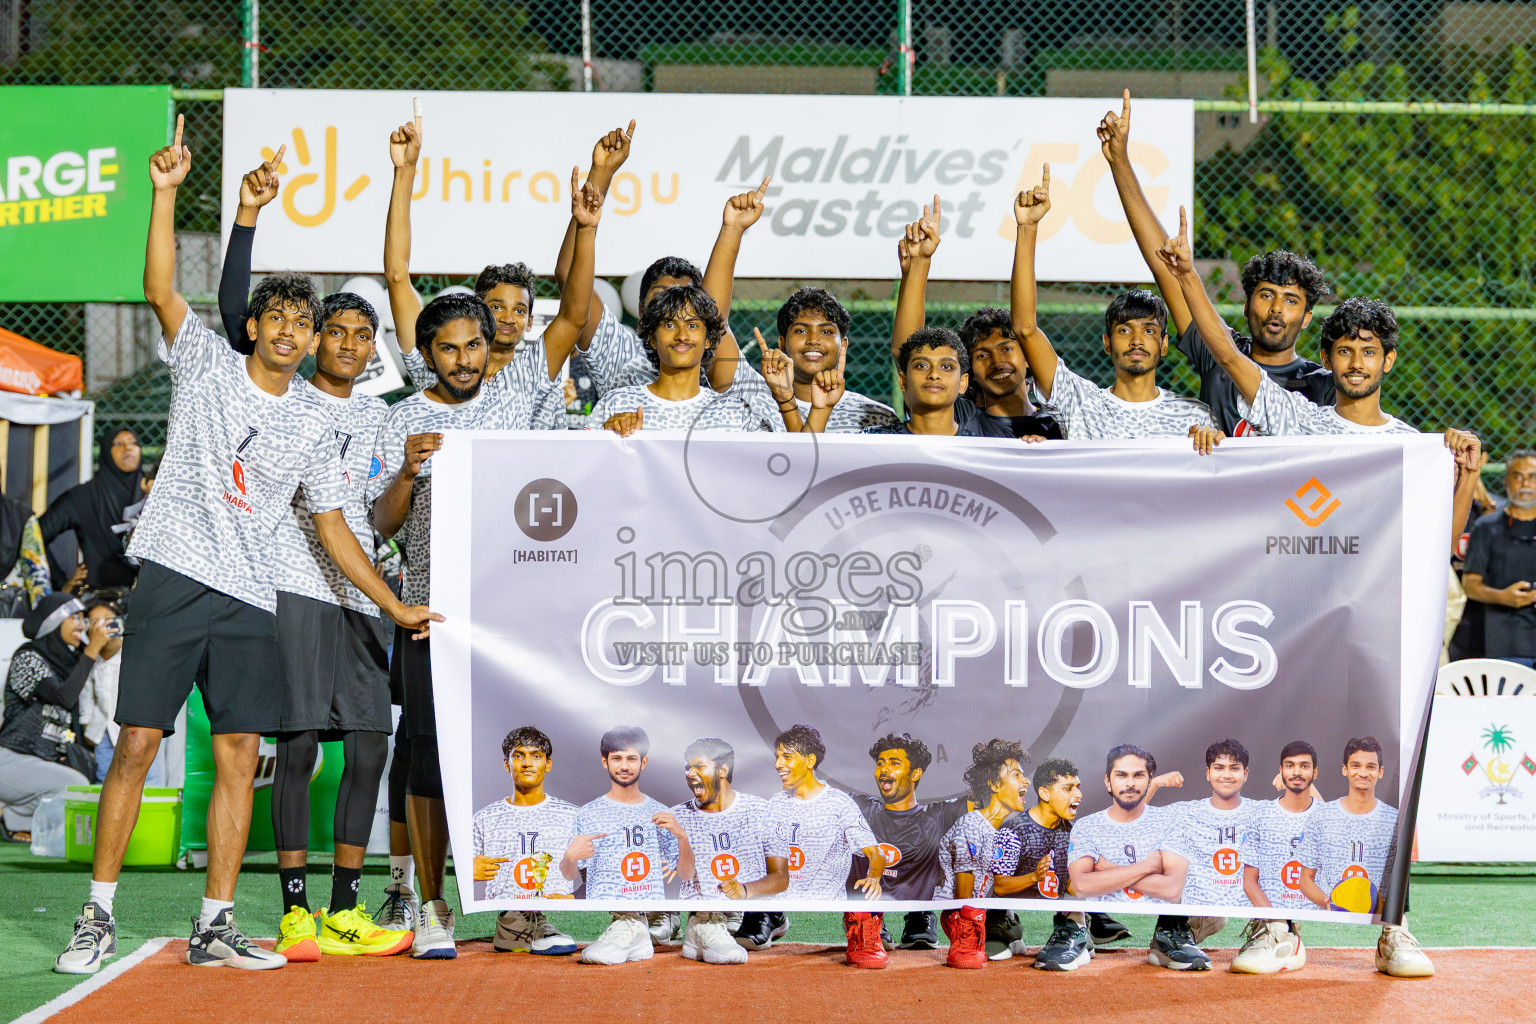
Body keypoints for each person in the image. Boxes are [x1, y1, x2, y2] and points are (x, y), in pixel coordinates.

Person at [54, 120, 438, 977]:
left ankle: (217, 923)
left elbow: (335, 523)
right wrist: (165, 194)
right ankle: (97, 915)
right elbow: (159, 285)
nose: (294, 332)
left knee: (239, 755)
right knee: (139, 744)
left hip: (252, 597)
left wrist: (393, 604)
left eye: (307, 324)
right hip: (177, 578)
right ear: (256, 323)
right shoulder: (207, 363)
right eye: (282, 318)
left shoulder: (314, 416)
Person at [214, 152, 412, 963]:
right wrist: (248, 218)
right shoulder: (281, 387)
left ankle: (344, 907)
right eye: (338, 329)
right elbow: (235, 312)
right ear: (313, 335)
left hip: (362, 593)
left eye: (366, 337)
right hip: (293, 584)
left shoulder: (385, 418)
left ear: (373, 353)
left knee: (368, 744)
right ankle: (293, 909)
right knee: (295, 746)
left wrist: (408, 471)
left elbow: (381, 518)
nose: (352, 344)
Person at [1155, 208, 1484, 547]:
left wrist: (1470, 473)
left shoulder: (1410, 444)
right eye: (1345, 352)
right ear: (1327, 360)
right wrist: (1188, 275)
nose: (1356, 363)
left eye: (1369, 352)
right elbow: (1228, 355)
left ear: (1388, 361)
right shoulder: (1300, 418)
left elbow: (1438, 544)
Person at [1098, 90, 1334, 435]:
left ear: (1307, 318)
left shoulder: (1324, 386)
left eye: (1291, 300)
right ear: (1247, 305)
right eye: (1266, 295)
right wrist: (1119, 161)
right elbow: (1164, 267)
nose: (1276, 310)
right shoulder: (1218, 350)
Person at [384, 104, 597, 421]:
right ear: (478, 309)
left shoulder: (529, 373)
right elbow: (397, 275)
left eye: (519, 310)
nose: (509, 318)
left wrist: (588, 229)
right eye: (497, 306)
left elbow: (574, 317)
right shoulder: (437, 362)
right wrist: (405, 171)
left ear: (529, 319)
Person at [1011, 168, 1222, 451]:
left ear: (1164, 344)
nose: (1137, 340)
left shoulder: (1196, 417)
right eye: (1125, 330)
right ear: (1107, 343)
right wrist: (1027, 229)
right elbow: (1025, 330)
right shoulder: (1080, 401)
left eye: (1149, 330)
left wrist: (1216, 441)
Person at [556, 121, 745, 398]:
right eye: (661, 296)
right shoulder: (621, 352)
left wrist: (731, 231)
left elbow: (717, 315)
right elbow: (566, 274)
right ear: (642, 310)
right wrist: (601, 173)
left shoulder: (710, 352)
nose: (673, 307)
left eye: (685, 299)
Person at [742, 726, 884, 955]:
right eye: (777, 757)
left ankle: (865, 921)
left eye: (787, 757)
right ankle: (769, 917)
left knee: (866, 889)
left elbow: (875, 853)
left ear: (809, 760)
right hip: (781, 894)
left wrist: (874, 877)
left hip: (826, 898)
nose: (778, 764)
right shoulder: (776, 803)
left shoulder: (839, 803)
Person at [1297, 737, 1431, 977]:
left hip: (1376, 903)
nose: (1363, 772)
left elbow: (1400, 877)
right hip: (1324, 902)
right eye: (1356, 765)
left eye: (1370, 766)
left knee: (1401, 839)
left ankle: (1393, 935)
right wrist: (1327, 902)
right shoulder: (1321, 816)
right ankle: (1283, 929)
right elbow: (1304, 879)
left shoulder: (1395, 820)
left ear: (1380, 772)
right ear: (1344, 769)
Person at [560, 726, 692, 966]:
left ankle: (637, 927)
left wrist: (682, 838)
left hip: (646, 905)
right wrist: (569, 857)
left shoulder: (659, 812)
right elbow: (570, 875)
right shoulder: (588, 813)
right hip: (604, 910)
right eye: (617, 758)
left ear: (644, 762)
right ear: (604, 761)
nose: (624, 766)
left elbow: (686, 873)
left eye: (632, 758)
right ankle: (627, 929)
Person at [1067, 744, 1199, 970]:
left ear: (1149, 780)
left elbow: (1171, 890)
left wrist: (1109, 868)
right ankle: (1076, 930)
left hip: (1168, 908)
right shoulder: (1087, 825)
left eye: (1138, 775)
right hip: (1095, 905)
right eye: (1121, 775)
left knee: (1213, 913)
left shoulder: (1172, 820)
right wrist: (1148, 866)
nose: (1130, 783)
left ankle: (1170, 933)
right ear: (1108, 781)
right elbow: (1081, 885)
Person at [587, 285, 782, 435]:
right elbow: (585, 465)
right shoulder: (616, 402)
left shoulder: (736, 411)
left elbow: (784, 465)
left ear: (709, 340)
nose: (682, 335)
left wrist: (785, 396)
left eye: (693, 325)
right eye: (670, 325)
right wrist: (608, 438)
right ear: (653, 339)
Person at [669, 737, 789, 965]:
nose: (690, 773)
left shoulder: (761, 810)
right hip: (701, 907)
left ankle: (760, 916)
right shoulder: (676, 816)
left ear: (723, 769)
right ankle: (698, 921)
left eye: (699, 766)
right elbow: (676, 876)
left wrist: (744, 890)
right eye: (687, 767)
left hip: (748, 902)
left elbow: (781, 878)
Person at [847, 733, 966, 960]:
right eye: (880, 763)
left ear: (915, 773)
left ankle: (920, 914)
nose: (884, 769)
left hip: (919, 892)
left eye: (894, 763)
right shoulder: (860, 807)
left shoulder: (937, 815)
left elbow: (988, 799)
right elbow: (818, 796)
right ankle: (867, 917)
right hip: (867, 893)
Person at [0, 594, 106, 841]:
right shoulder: (27, 656)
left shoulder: (70, 662)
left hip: (41, 761)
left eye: (83, 619)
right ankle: (18, 821)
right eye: (74, 618)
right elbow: (63, 697)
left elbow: (70, 717)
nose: (81, 625)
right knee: (74, 784)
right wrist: (91, 651)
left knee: (86, 786)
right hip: (11, 757)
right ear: (53, 622)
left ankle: (10, 818)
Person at [471, 726, 579, 956]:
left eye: (536, 756)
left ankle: (534, 920)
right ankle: (512, 921)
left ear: (547, 764)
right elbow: (469, 867)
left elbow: (599, 869)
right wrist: (467, 868)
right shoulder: (483, 818)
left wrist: (574, 897)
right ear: (506, 764)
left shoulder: (573, 815)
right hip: (507, 905)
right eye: (518, 756)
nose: (527, 763)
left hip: (554, 902)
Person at [1149, 739, 1257, 966]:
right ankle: (1170, 933)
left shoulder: (1261, 812)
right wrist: (1155, 784)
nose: (1226, 775)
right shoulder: (1187, 812)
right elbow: (1132, 821)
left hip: (1242, 897)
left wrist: (1296, 787)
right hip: (1197, 900)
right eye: (1219, 768)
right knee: (1163, 852)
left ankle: (1275, 932)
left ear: (1245, 774)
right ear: (1208, 773)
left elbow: (1323, 822)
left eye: (1234, 768)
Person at [933, 739, 1031, 970]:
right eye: (1016, 775)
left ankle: (1007, 926)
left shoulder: (1003, 831)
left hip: (984, 911)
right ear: (995, 785)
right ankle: (965, 941)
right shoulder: (971, 826)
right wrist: (968, 923)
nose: (1026, 780)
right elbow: (963, 895)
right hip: (962, 914)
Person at [991, 758, 1091, 970]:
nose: (1078, 795)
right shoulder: (1013, 830)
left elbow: (1073, 888)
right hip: (1012, 900)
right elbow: (999, 886)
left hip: (1061, 906)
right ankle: (1007, 924)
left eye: (1078, 788)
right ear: (1045, 794)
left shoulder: (1075, 833)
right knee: (993, 950)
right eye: (1068, 788)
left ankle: (1077, 928)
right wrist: (1034, 877)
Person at [752, 289, 899, 433]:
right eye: (801, 331)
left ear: (843, 346)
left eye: (827, 332)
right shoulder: (754, 409)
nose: (814, 340)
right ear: (782, 344)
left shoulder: (879, 417)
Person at [1230, 740, 1319, 974]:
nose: (1297, 772)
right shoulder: (1261, 815)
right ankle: (1279, 931)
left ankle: (1395, 929)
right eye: (1290, 766)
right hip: (1274, 908)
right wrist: (1276, 921)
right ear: (1280, 771)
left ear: (1315, 772)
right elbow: (1249, 880)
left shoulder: (1327, 817)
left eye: (1304, 766)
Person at [38, 427, 144, 588]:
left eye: (133, 442)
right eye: (117, 444)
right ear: (106, 452)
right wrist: (60, 582)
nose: (127, 447)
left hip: (150, 594)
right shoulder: (82, 497)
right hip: (99, 595)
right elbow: (35, 535)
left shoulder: (153, 493)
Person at [1462, 451, 1536, 667]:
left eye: (1532, 476)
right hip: (1506, 644)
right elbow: (1470, 585)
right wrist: (1503, 597)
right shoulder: (1486, 527)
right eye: (1518, 476)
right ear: (1506, 480)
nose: (1525, 483)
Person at [957, 306, 1062, 440]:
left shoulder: (1059, 421)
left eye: (1006, 349)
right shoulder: (962, 417)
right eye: (982, 355)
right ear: (971, 371)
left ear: (1028, 358)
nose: (997, 362)